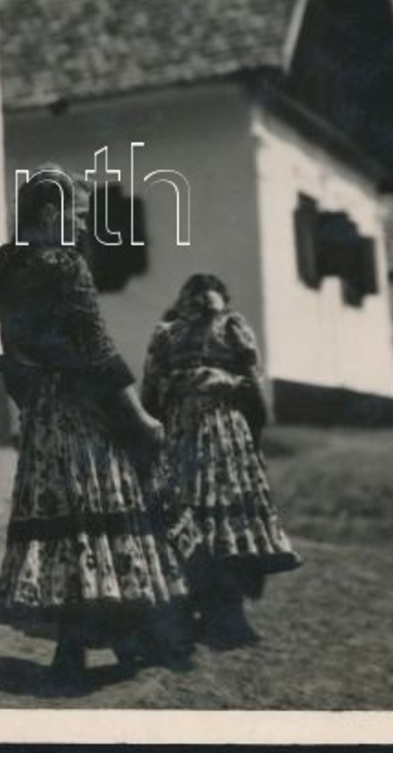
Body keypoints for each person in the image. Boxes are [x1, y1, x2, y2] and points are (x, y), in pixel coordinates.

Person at [0, 167, 191, 688]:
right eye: (75, 212)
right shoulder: (66, 266)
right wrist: (138, 416)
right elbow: (95, 348)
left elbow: (14, 345)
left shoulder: (8, 268)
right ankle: (83, 648)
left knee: (66, 523)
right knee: (99, 518)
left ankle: (102, 642)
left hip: (42, 415)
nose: (81, 223)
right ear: (50, 214)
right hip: (83, 410)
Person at [141, 274, 301, 650]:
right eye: (194, 305)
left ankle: (215, 608)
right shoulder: (213, 328)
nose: (199, 312)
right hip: (206, 433)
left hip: (208, 433)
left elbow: (152, 393)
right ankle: (211, 609)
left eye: (204, 306)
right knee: (209, 516)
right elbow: (251, 387)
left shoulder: (177, 333)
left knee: (202, 515)